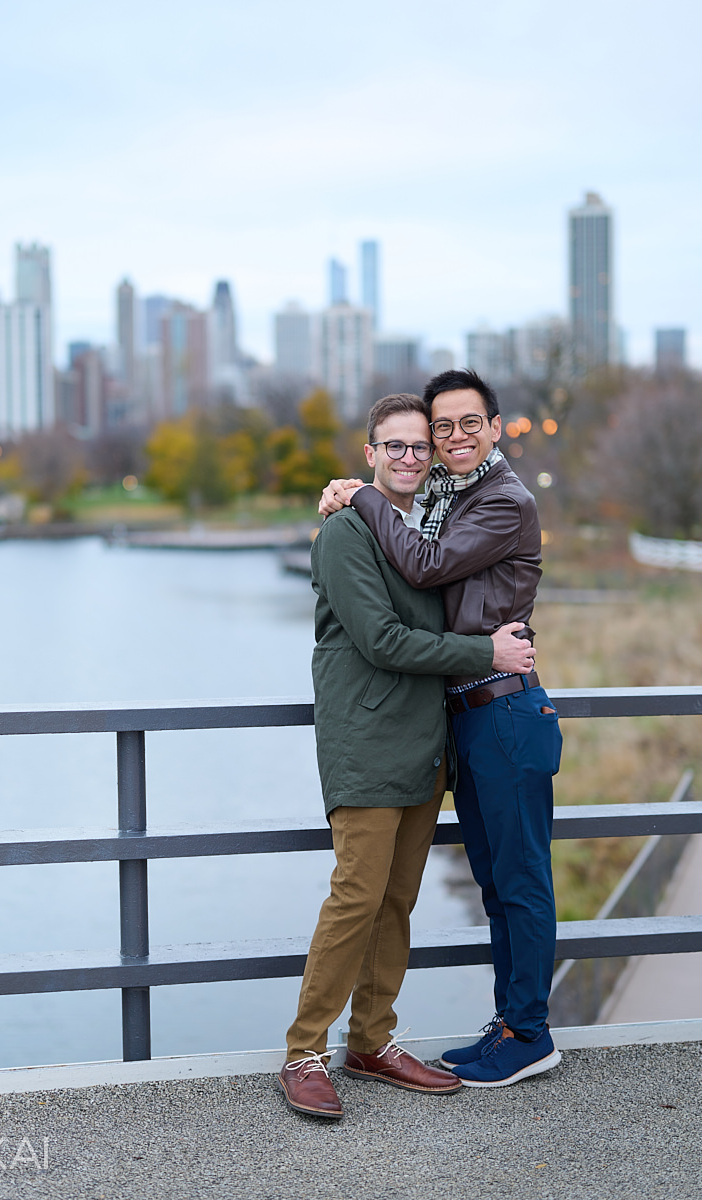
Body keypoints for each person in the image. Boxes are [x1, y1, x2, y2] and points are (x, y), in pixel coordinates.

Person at [279, 392, 536, 1120]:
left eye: (419, 446)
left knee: (396, 902)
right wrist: (484, 650)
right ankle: (303, 1049)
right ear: (369, 455)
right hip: (364, 743)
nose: (410, 457)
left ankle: (371, 1040)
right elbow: (382, 641)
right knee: (357, 895)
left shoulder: (414, 527)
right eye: (393, 446)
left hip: (424, 747)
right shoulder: (343, 537)